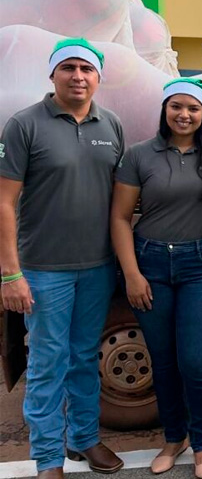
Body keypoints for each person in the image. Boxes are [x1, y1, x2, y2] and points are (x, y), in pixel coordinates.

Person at [0, 38, 125, 479]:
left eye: (86, 69)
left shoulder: (110, 124)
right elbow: (3, 202)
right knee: (48, 361)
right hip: (43, 270)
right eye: (68, 67)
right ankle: (49, 458)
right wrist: (10, 273)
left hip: (96, 266)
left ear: (98, 77)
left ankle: (84, 439)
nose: (78, 76)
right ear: (52, 74)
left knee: (84, 356)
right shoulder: (24, 125)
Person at [109, 78, 202, 479]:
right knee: (162, 361)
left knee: (196, 361)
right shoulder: (139, 155)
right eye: (176, 106)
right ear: (164, 110)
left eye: (193, 108)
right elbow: (120, 218)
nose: (184, 115)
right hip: (151, 265)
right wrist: (132, 274)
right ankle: (173, 438)